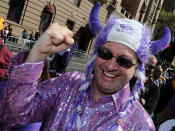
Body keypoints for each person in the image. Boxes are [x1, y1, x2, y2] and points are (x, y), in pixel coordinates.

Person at [0, 3, 171, 130]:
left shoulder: (140, 124)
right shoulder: (67, 85)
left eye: (124, 61)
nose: (110, 65)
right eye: (105, 53)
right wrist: (36, 54)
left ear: (137, 69)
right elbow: (12, 117)